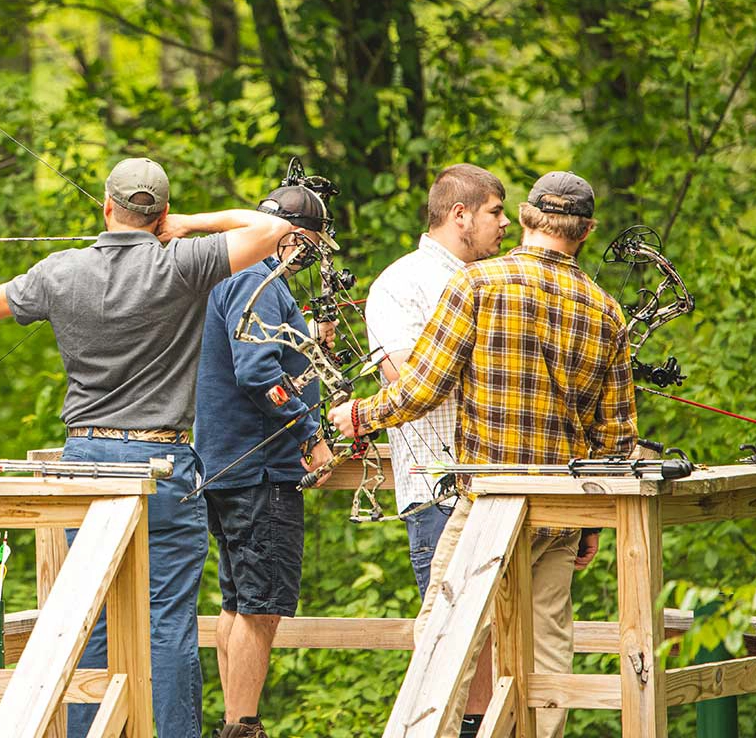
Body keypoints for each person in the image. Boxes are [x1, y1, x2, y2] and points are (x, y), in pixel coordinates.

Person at [0, 157, 298, 738]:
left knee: (91, 618)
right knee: (165, 622)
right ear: (160, 212)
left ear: (106, 207)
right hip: (161, 463)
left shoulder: (62, 270)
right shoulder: (183, 263)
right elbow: (273, 230)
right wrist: (189, 224)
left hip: (84, 466)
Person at [328, 171, 636, 738]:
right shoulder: (605, 310)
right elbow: (616, 439)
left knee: (445, 643)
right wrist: (593, 520)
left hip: (489, 502)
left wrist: (358, 416)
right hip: (564, 508)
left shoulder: (476, 285)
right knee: (546, 655)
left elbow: (422, 388)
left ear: (524, 218)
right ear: (587, 231)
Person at [194, 180, 338, 738]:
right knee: (261, 606)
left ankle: (234, 722)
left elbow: (271, 362)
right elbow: (259, 375)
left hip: (226, 467)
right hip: (260, 471)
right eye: (314, 247)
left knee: (236, 602)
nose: (313, 260)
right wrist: (310, 434)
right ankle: (244, 727)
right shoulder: (263, 283)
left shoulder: (233, 279)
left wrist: (312, 341)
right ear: (296, 238)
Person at [364, 163, 509, 595]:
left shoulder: (494, 281)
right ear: (460, 214)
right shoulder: (401, 283)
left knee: (512, 641)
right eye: (495, 212)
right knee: (457, 647)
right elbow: (407, 379)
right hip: (440, 496)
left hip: (506, 488)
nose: (505, 224)